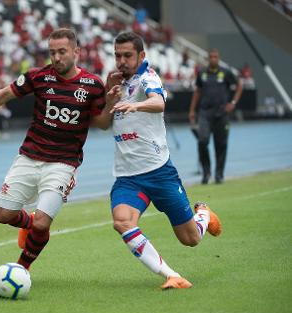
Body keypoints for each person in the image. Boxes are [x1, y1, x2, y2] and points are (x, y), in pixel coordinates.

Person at [0, 28, 117, 270]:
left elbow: (102, 124)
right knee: (3, 215)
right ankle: (29, 222)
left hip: (63, 163)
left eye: (62, 52)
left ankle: (21, 268)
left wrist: (111, 102)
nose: (56, 58)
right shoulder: (39, 76)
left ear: (76, 52)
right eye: (52, 52)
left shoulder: (93, 85)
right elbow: (4, 94)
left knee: (42, 224)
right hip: (29, 156)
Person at [103, 32, 222, 290]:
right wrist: (107, 96)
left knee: (190, 239)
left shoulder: (149, 77)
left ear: (141, 56)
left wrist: (137, 106)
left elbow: (158, 102)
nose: (121, 61)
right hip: (128, 178)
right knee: (122, 221)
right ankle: (171, 275)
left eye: (127, 56)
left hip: (160, 174)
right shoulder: (115, 84)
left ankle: (203, 214)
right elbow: (102, 122)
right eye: (117, 56)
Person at [188, 49, 243, 184]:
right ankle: (206, 173)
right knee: (202, 141)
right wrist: (192, 110)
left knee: (221, 145)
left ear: (218, 58)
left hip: (222, 114)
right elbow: (197, 92)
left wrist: (233, 103)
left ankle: (219, 174)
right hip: (205, 114)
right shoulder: (202, 73)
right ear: (208, 59)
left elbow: (239, 85)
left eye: (215, 57)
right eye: (211, 57)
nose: (213, 59)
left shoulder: (225, 72)